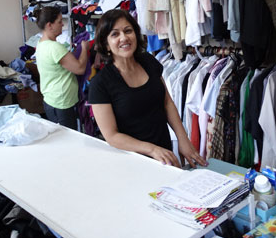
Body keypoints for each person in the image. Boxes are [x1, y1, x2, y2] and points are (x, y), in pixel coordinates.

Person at [88, 9, 207, 168]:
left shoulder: (148, 61)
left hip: (164, 154)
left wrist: (183, 139)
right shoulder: (100, 83)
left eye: (128, 31)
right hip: (132, 161)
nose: (124, 38)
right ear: (106, 45)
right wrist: (152, 149)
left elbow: (167, 102)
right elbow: (112, 136)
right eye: (115, 34)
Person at [35, 7, 89, 129]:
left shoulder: (41, 43)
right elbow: (80, 68)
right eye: (59, 22)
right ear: (49, 25)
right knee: (68, 137)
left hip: (52, 100)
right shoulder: (55, 48)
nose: (62, 25)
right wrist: (84, 48)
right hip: (61, 104)